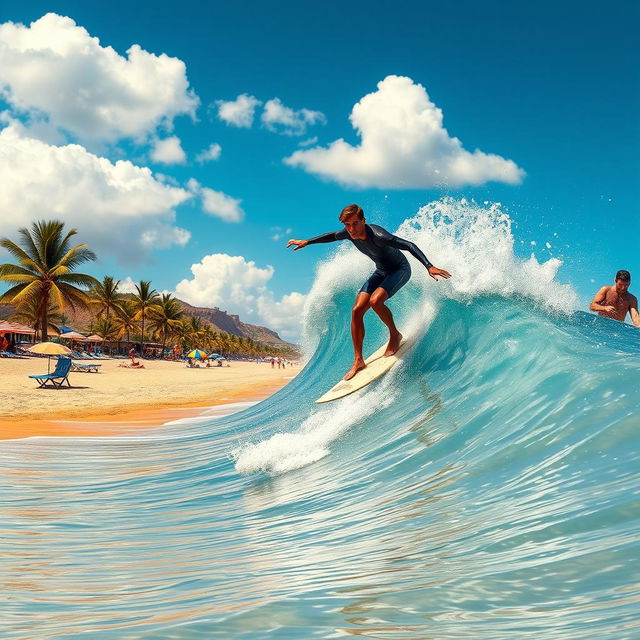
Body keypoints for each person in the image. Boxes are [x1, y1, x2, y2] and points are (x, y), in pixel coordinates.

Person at [287, 204, 451, 380]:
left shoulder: (379, 236)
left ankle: (395, 334)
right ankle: (358, 360)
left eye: (355, 223)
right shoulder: (349, 232)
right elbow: (332, 236)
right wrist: (308, 242)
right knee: (357, 310)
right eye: (347, 225)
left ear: (363, 221)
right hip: (381, 271)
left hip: (400, 269)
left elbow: (408, 245)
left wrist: (429, 266)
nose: (351, 229)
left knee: (375, 301)